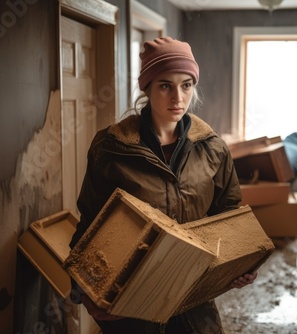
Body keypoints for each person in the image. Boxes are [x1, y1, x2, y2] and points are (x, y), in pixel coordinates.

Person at [68, 37, 257, 334]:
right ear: (147, 88)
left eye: (186, 85)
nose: (178, 98)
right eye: (166, 85)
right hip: (132, 301)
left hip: (194, 301)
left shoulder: (213, 148)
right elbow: (91, 224)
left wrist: (239, 264)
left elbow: (228, 216)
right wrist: (85, 293)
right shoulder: (111, 148)